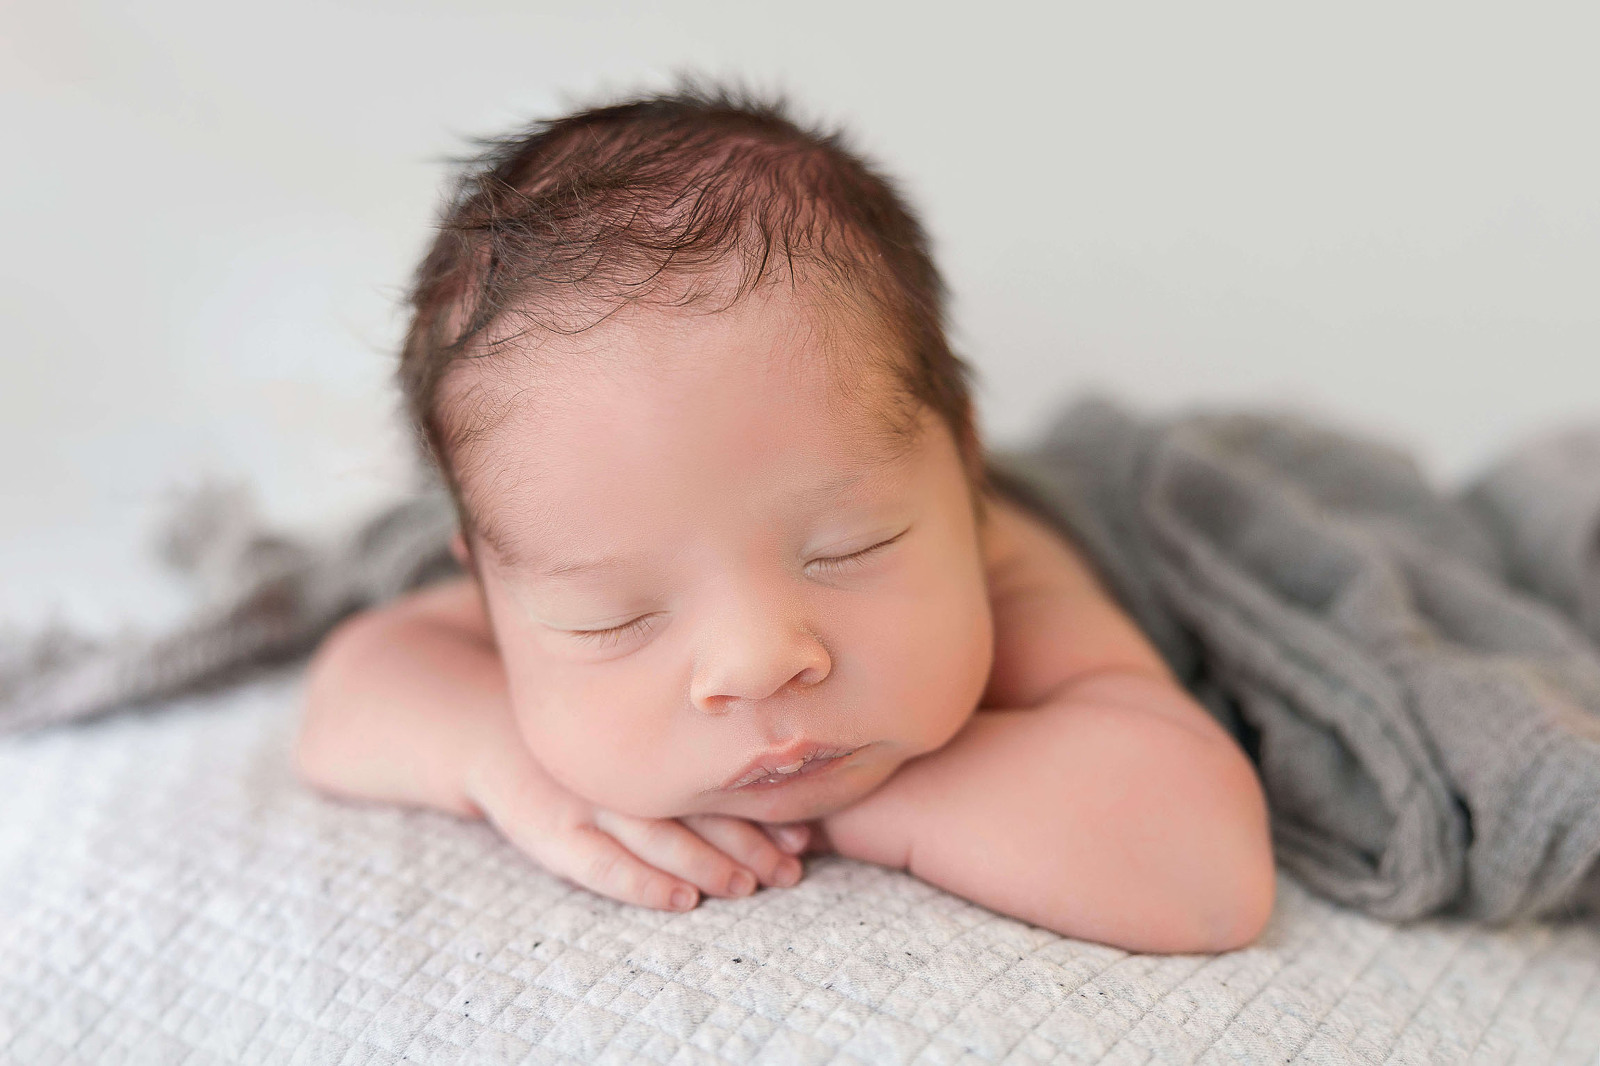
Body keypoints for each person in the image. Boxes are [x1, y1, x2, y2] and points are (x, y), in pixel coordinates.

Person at [295, 86, 1274, 953]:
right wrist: (501, 760)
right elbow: (347, 695)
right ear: (486, 584)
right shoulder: (563, 537)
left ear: (961, 469)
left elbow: (1200, 870)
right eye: (614, 617)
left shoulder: (1004, 564)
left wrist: (847, 812)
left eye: (850, 547)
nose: (759, 661)